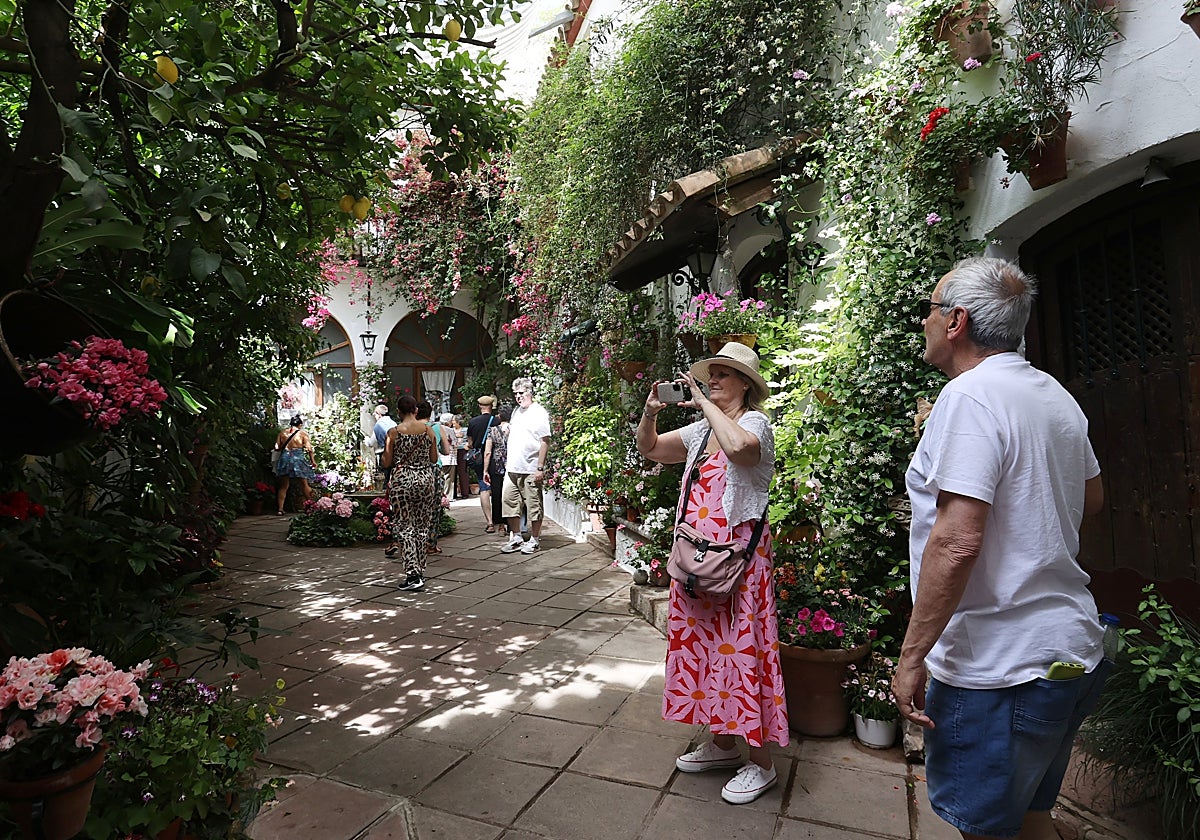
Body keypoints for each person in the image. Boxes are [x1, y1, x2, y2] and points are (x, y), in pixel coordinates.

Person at [894, 257, 1108, 840]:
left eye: (931, 311)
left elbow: (957, 541)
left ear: (957, 320)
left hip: (997, 667)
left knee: (985, 829)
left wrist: (912, 657)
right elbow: (1091, 498)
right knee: (1031, 815)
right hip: (1068, 653)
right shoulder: (1055, 397)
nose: (924, 324)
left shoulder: (969, 397)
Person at [636, 342, 787, 806]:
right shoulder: (704, 430)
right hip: (698, 564)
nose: (715, 379)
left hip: (738, 567)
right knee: (706, 652)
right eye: (712, 373)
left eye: (725, 374)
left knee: (744, 655)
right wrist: (649, 414)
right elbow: (652, 450)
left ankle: (761, 765)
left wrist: (702, 401)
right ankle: (723, 745)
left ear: (746, 384)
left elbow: (741, 450)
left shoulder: (753, 423)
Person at [381, 394, 440, 591]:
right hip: (425, 480)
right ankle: (420, 569)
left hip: (402, 482)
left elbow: (387, 462)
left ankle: (412, 573)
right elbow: (433, 459)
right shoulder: (428, 431)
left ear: (398, 411)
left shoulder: (394, 432)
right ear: (415, 410)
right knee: (422, 526)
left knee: (405, 526)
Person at [499, 378, 552, 555]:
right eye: (516, 394)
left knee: (534, 505)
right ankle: (516, 537)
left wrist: (540, 467)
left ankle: (535, 539)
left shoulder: (538, 412)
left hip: (530, 467)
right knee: (509, 503)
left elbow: (545, 440)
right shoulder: (516, 412)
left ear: (530, 392)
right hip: (513, 467)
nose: (518, 397)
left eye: (521, 393)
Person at [273, 415, 317, 515]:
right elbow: (309, 449)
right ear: (300, 424)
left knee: (284, 485)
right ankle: (311, 508)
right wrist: (313, 461)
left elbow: (276, 447)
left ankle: (280, 509)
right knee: (304, 483)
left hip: (285, 458)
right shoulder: (302, 434)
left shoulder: (282, 433)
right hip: (298, 459)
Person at [467, 395, 498, 532]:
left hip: (479, 459)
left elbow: (470, 443)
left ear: (480, 406)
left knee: (484, 488)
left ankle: (490, 522)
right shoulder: (496, 421)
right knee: (497, 488)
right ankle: (501, 523)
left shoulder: (473, 422)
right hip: (495, 458)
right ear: (491, 406)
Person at [482, 406, 511, 538]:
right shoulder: (515, 429)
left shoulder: (492, 431)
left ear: (499, 416)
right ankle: (513, 524)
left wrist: (485, 470)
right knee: (512, 495)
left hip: (497, 466)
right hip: (512, 465)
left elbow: (488, 452)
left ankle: (500, 525)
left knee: (497, 495)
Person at [372, 403, 397, 486]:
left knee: (383, 478)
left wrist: (367, 441)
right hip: (395, 453)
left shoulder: (378, 425)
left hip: (383, 453)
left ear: (379, 414)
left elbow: (373, 442)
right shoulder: (394, 423)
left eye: (375, 413)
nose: (374, 415)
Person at [438, 413, 458, 500]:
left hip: (439, 457)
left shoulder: (437, 428)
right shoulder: (450, 430)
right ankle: (448, 496)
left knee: (441, 477)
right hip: (450, 457)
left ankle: (440, 495)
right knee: (449, 478)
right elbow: (454, 443)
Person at [452, 414, 470, 499]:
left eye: (454, 421)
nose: (452, 422)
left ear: (458, 422)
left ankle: (465, 493)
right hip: (453, 452)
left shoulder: (465, 430)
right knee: (453, 472)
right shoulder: (451, 430)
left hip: (462, 451)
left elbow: (468, 440)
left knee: (463, 472)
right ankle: (453, 493)